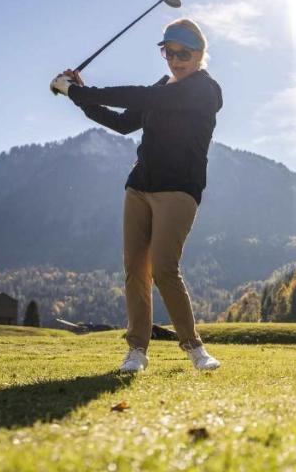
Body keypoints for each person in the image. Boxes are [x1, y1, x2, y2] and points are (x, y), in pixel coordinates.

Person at [50, 19, 222, 374]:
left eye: (183, 53)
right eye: (168, 52)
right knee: (135, 271)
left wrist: (76, 92)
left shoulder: (205, 90)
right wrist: (77, 95)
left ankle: (194, 348)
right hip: (139, 187)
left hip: (179, 190)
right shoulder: (163, 85)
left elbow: (141, 96)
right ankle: (137, 352)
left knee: (163, 267)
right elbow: (123, 123)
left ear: (200, 54)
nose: (175, 60)